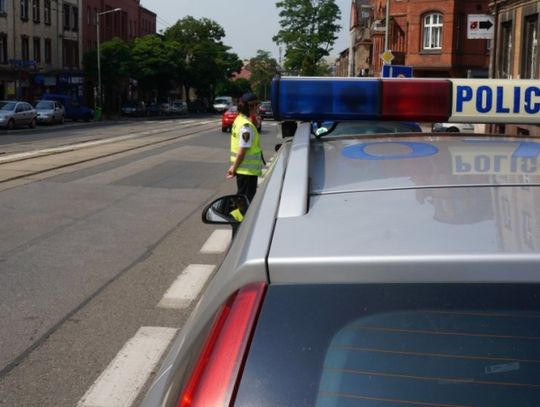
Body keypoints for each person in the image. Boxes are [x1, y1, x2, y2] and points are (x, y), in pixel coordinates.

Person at [226, 92, 263, 204]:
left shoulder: (239, 120)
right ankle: (239, 221)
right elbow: (242, 151)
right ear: (251, 106)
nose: (258, 107)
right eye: (257, 104)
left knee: (242, 198)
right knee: (245, 201)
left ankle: (238, 219)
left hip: (244, 171)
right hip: (247, 171)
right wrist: (234, 168)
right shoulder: (246, 127)